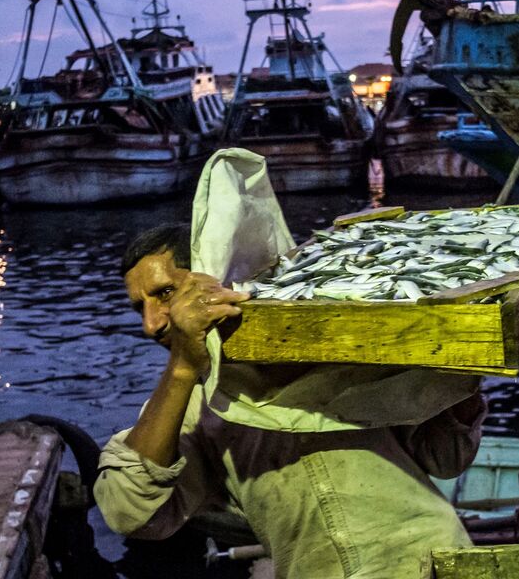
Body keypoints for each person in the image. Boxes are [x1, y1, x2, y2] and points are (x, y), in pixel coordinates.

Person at [95, 224, 484, 578]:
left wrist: (461, 369)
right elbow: (129, 512)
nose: (151, 323)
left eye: (165, 294)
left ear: (214, 276)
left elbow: (445, 457)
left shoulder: (342, 340)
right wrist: (182, 367)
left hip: (433, 564)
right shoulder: (189, 405)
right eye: (139, 307)